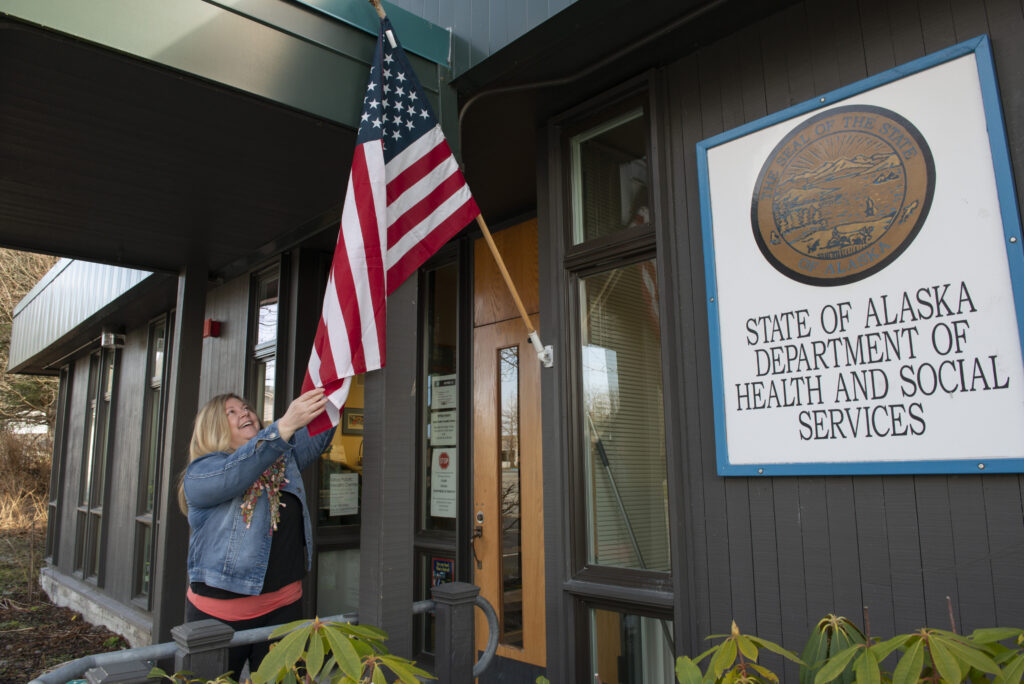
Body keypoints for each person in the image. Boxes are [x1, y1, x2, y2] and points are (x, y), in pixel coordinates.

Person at [179, 388, 333, 678]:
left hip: (282, 613)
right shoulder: (201, 473)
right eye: (232, 412)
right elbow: (235, 473)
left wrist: (335, 387)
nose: (245, 413)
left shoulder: (281, 463)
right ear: (214, 429)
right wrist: (285, 426)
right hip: (216, 622)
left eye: (246, 408)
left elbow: (318, 433)